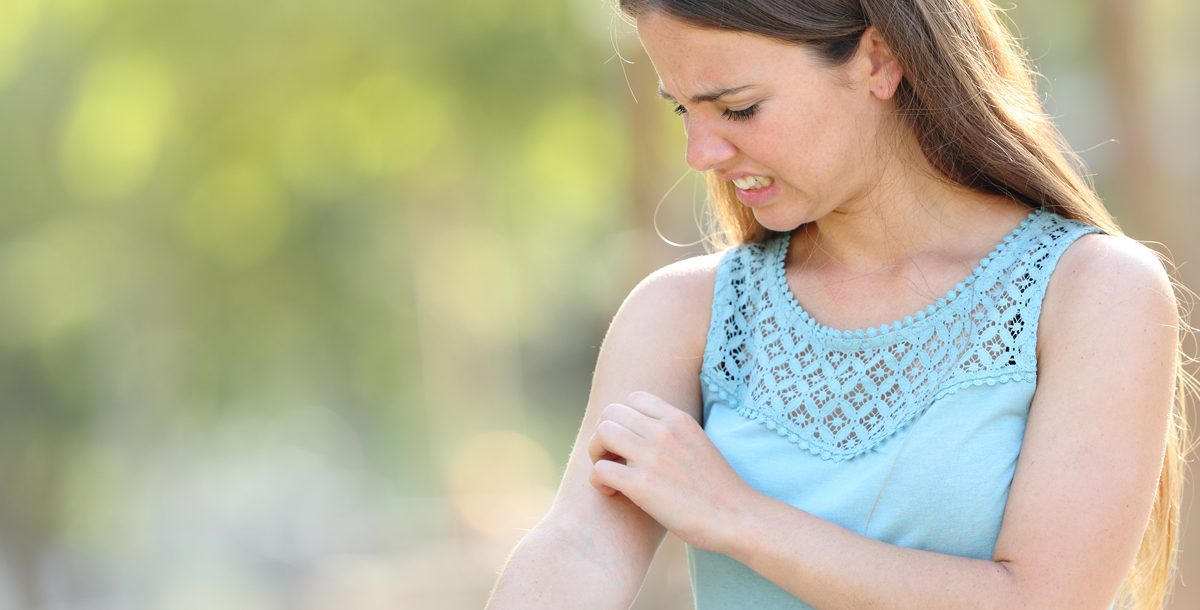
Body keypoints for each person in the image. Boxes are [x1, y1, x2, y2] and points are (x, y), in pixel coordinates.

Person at [486, 1, 1192, 608]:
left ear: (879, 59)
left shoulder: (1093, 292)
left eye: (738, 107)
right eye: (683, 110)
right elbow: (580, 547)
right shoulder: (681, 314)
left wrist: (736, 515)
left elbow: (1042, 602)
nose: (700, 152)